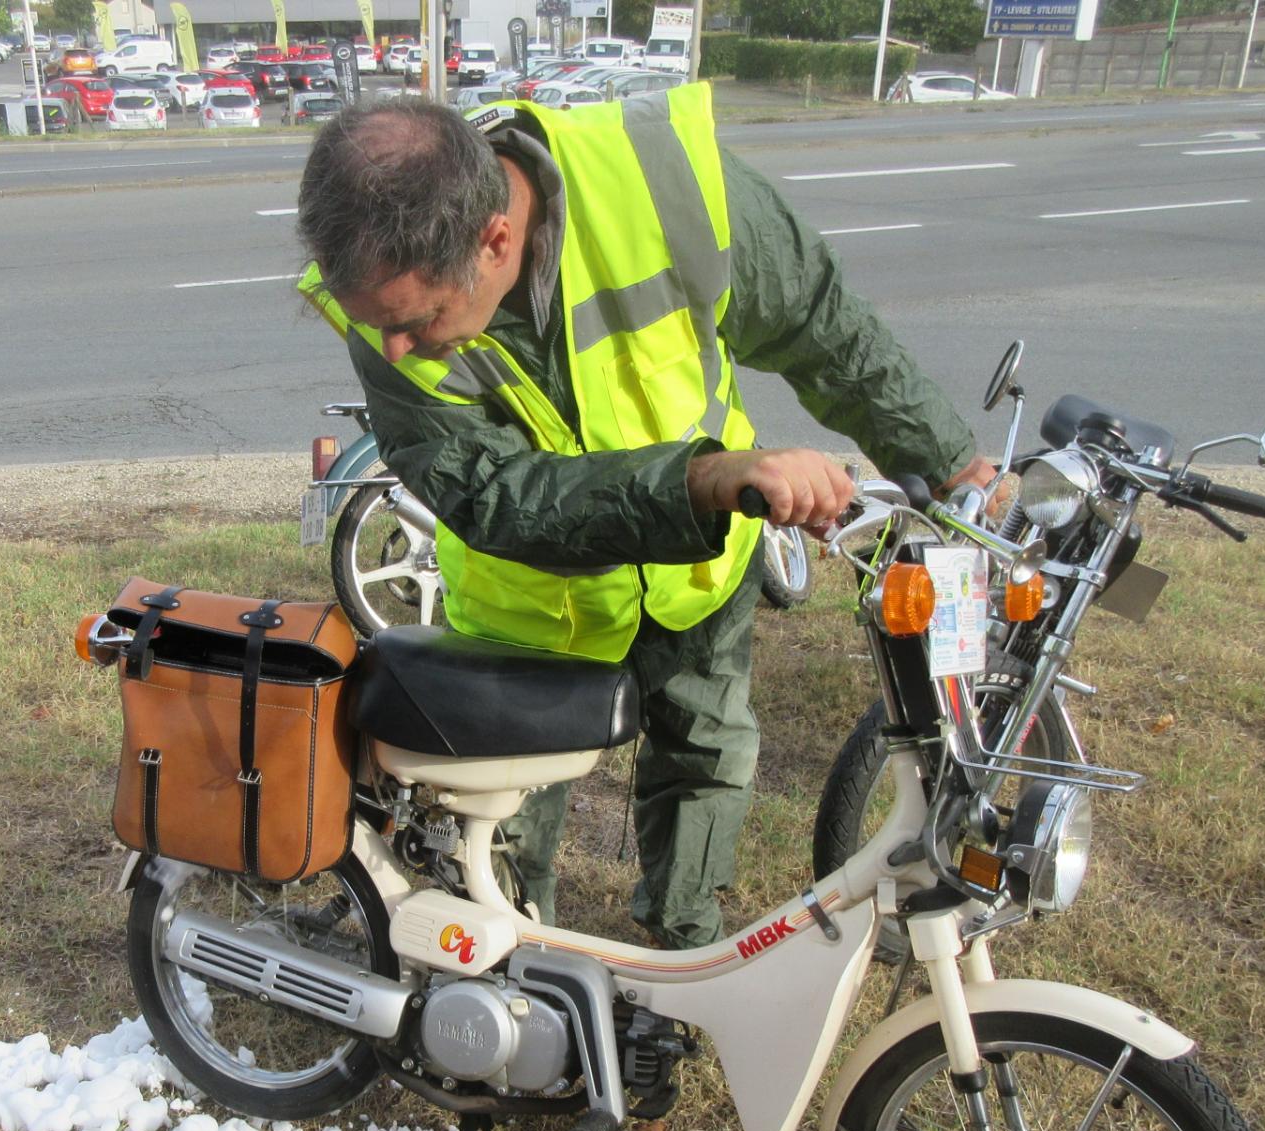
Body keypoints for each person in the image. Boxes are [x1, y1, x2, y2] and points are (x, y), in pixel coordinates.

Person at [294, 89, 992, 947]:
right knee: (502, 813)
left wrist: (949, 459)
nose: (390, 351)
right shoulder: (387, 314)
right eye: (378, 327)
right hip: (531, 600)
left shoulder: (666, 184)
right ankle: (512, 966)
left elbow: (820, 322)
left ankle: (685, 950)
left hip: (698, 576)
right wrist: (701, 480)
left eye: (414, 321)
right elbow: (495, 496)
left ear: (497, 240)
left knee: (705, 760)